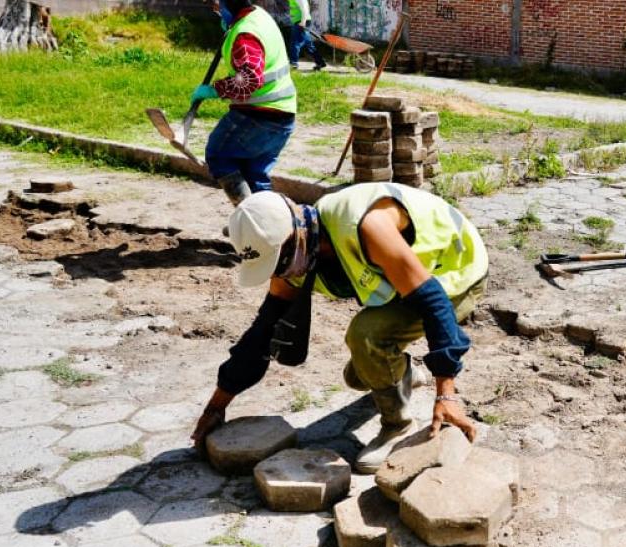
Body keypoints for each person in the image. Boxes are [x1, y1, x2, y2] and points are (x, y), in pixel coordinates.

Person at [190, 183, 489, 472]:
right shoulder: (293, 256)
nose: (281, 274)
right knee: (358, 376)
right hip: (408, 279)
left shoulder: (366, 226)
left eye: (279, 263)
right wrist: (215, 406)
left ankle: (397, 426)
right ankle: (405, 374)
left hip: (455, 272)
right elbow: (261, 335)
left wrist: (446, 394)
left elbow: (433, 301)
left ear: (297, 234)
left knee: (366, 336)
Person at [194, 0, 298, 206]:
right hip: (282, 113)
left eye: (217, 4)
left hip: (259, 115)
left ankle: (249, 217)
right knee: (254, 175)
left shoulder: (245, 34)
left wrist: (215, 89)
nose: (216, 9)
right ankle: (273, 228)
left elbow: (249, 79)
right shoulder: (258, 15)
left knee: (218, 155)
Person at [287, 0, 327, 71]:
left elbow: (304, 8)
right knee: (309, 44)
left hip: (301, 21)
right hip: (300, 21)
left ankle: (293, 63)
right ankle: (320, 62)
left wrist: (303, 21)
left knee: (295, 43)